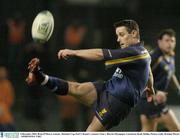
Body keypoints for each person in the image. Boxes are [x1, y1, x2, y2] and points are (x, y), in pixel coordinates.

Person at [26, 19, 154, 131]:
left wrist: (73, 52)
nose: (118, 39)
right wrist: (150, 87)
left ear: (134, 33)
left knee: (90, 133)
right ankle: (40, 76)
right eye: (117, 35)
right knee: (75, 88)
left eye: (121, 35)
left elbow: (100, 54)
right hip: (107, 88)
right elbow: (148, 70)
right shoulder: (143, 53)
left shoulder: (135, 52)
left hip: (118, 102)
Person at [138, 29, 180, 131]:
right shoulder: (154, 56)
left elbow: (170, 75)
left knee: (148, 132)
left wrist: (178, 89)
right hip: (149, 100)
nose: (170, 43)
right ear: (159, 41)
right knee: (176, 131)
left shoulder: (170, 56)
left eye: (172, 41)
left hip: (157, 101)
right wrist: (155, 92)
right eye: (167, 40)